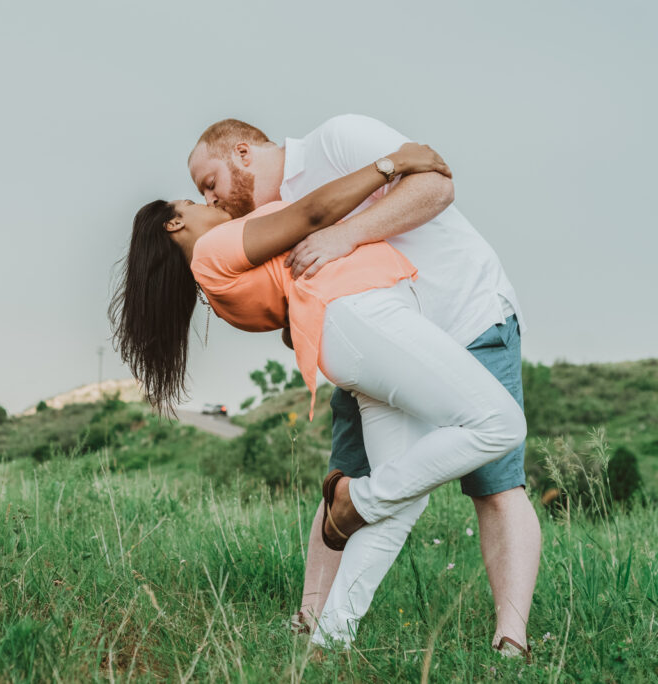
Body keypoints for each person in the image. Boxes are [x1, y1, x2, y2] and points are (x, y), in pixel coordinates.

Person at [110, 142, 527, 649]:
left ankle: (330, 640)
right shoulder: (215, 250)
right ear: (174, 224)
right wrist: (389, 164)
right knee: (501, 424)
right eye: (193, 201)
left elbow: (291, 321)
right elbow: (310, 213)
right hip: (366, 320)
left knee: (402, 504)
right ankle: (354, 498)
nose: (210, 204)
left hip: (355, 343)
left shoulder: (220, 291)